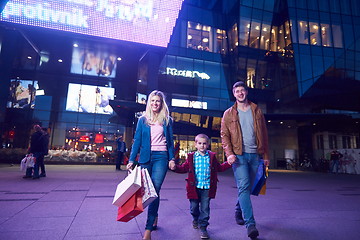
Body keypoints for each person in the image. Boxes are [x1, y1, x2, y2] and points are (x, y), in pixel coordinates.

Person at [220, 81, 269, 239]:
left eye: (242, 90)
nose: (240, 93)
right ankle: (250, 225)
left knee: (247, 188)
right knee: (243, 187)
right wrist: (229, 154)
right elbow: (224, 135)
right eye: (237, 91)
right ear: (234, 94)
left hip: (255, 154)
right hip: (239, 155)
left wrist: (266, 155)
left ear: (246, 92)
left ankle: (238, 210)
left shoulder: (256, 110)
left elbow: (264, 134)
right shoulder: (228, 113)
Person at [126, 90, 175, 240]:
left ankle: (148, 229)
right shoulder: (143, 120)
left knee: (155, 189)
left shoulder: (167, 120)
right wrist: (131, 160)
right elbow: (137, 141)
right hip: (146, 159)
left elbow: (170, 142)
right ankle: (155, 216)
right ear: (149, 102)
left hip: (161, 157)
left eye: (158, 101)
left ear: (161, 103)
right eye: (152, 101)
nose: (155, 103)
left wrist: (172, 159)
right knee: (149, 191)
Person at [169, 134, 231, 239]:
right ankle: (195, 219)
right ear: (196, 144)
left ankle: (203, 228)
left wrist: (229, 163)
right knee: (194, 208)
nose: (202, 146)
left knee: (205, 209)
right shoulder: (191, 157)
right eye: (200, 143)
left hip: (207, 187)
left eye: (204, 143)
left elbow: (219, 168)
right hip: (194, 188)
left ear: (208, 145)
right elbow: (184, 168)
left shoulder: (211, 156)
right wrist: (175, 168)